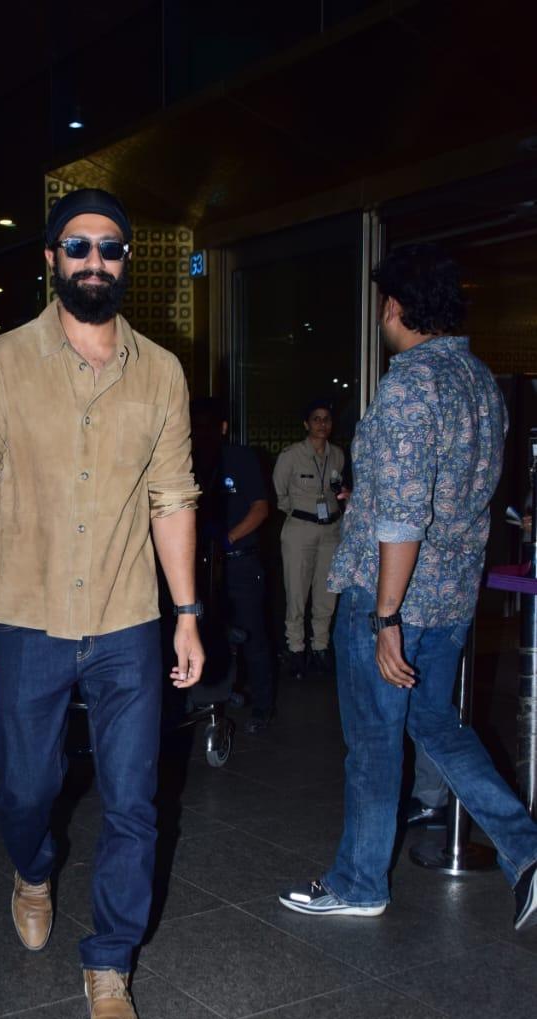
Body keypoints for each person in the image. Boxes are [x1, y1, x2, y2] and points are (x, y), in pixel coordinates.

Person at [0, 188, 203, 1019]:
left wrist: (188, 615)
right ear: (49, 258)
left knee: (134, 802)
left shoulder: (161, 371)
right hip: (24, 613)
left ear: (128, 261)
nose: (97, 262)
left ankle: (110, 960)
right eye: (79, 247)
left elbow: (171, 499)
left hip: (128, 618)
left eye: (113, 249)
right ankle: (33, 867)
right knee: (27, 790)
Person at [278, 244, 537, 930]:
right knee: (434, 728)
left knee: (372, 741)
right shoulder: (482, 384)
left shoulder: (408, 385)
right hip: (451, 599)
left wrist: (385, 616)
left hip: (391, 600)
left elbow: (401, 514)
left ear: (393, 306)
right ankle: (527, 850)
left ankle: (359, 882)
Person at [190, 397, 273, 732]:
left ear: (223, 427)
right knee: (206, 634)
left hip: (240, 563)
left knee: (252, 636)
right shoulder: (189, 461)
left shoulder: (241, 458)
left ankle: (263, 708)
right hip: (204, 568)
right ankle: (208, 699)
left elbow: (260, 508)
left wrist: (229, 538)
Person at [273, 400, 346, 678]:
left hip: (331, 531)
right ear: (306, 424)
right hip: (300, 528)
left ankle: (320, 647)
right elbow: (280, 495)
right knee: (296, 592)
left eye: (326, 419)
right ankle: (295, 649)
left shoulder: (337, 455)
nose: (322, 424)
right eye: (316, 419)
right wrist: (300, 513)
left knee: (327, 592)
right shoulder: (291, 456)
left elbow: (337, 488)